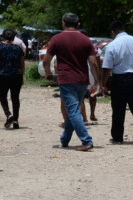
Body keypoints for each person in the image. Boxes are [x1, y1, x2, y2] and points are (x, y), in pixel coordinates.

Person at [43, 13, 101, 151]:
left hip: (66, 79)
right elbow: (93, 62)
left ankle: (86, 140)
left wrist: (47, 72)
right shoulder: (86, 40)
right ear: (78, 25)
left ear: (63, 23)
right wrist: (97, 81)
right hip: (82, 80)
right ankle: (65, 139)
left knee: (73, 110)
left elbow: (46, 60)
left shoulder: (57, 39)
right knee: (72, 110)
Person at [101, 20, 133, 147]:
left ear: (113, 32)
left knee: (118, 109)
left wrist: (103, 85)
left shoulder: (112, 45)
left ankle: (118, 137)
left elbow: (107, 68)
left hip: (119, 80)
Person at [0, 29, 25, 129]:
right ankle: (15, 120)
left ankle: (9, 115)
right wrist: (22, 76)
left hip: (3, 75)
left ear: (3, 37)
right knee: (15, 98)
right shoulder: (18, 48)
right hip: (16, 75)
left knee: (2, 96)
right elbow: (22, 64)